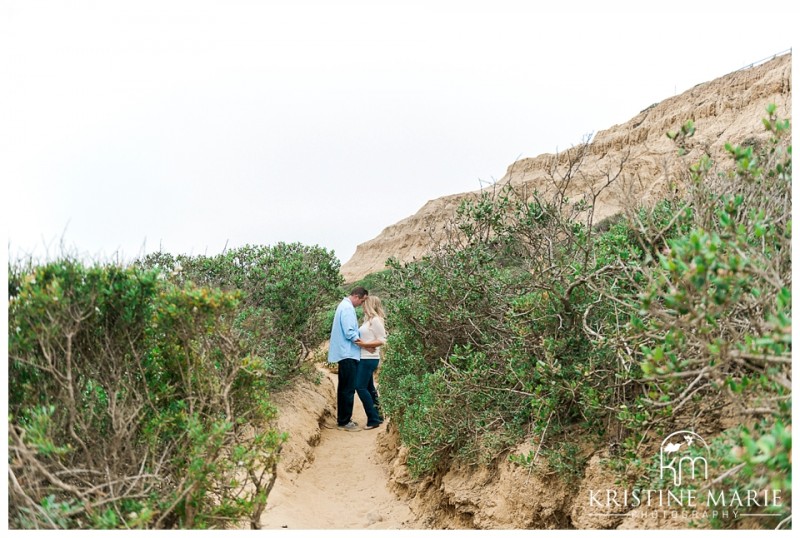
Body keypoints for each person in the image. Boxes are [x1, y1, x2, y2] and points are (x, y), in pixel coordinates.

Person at [328, 286, 368, 431]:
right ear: (357, 296)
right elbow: (350, 332)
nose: (361, 304)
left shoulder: (343, 306)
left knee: (344, 387)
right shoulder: (347, 308)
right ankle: (344, 422)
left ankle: (343, 419)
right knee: (348, 388)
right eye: (362, 301)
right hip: (348, 354)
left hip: (345, 353)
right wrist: (365, 345)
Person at [354, 295, 387, 430]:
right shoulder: (368, 320)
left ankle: (373, 419)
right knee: (369, 388)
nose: (362, 305)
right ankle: (378, 416)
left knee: (360, 387)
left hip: (369, 358)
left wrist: (365, 345)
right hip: (366, 357)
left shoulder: (375, 320)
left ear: (370, 305)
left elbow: (382, 340)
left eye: (364, 303)